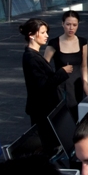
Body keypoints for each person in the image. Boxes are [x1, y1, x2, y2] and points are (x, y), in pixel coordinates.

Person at [20, 18, 72, 148]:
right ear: (31, 35)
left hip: (45, 108)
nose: (46, 36)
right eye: (42, 33)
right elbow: (43, 85)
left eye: (46, 32)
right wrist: (62, 73)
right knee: (47, 144)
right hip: (42, 109)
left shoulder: (34, 55)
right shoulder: (31, 58)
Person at [44, 10, 88, 119]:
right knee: (64, 117)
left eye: (74, 25)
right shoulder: (54, 43)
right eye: (68, 24)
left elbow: (84, 66)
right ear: (62, 24)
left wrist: (85, 85)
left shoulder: (82, 42)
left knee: (78, 116)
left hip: (77, 86)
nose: (71, 28)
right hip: (62, 87)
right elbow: (44, 66)